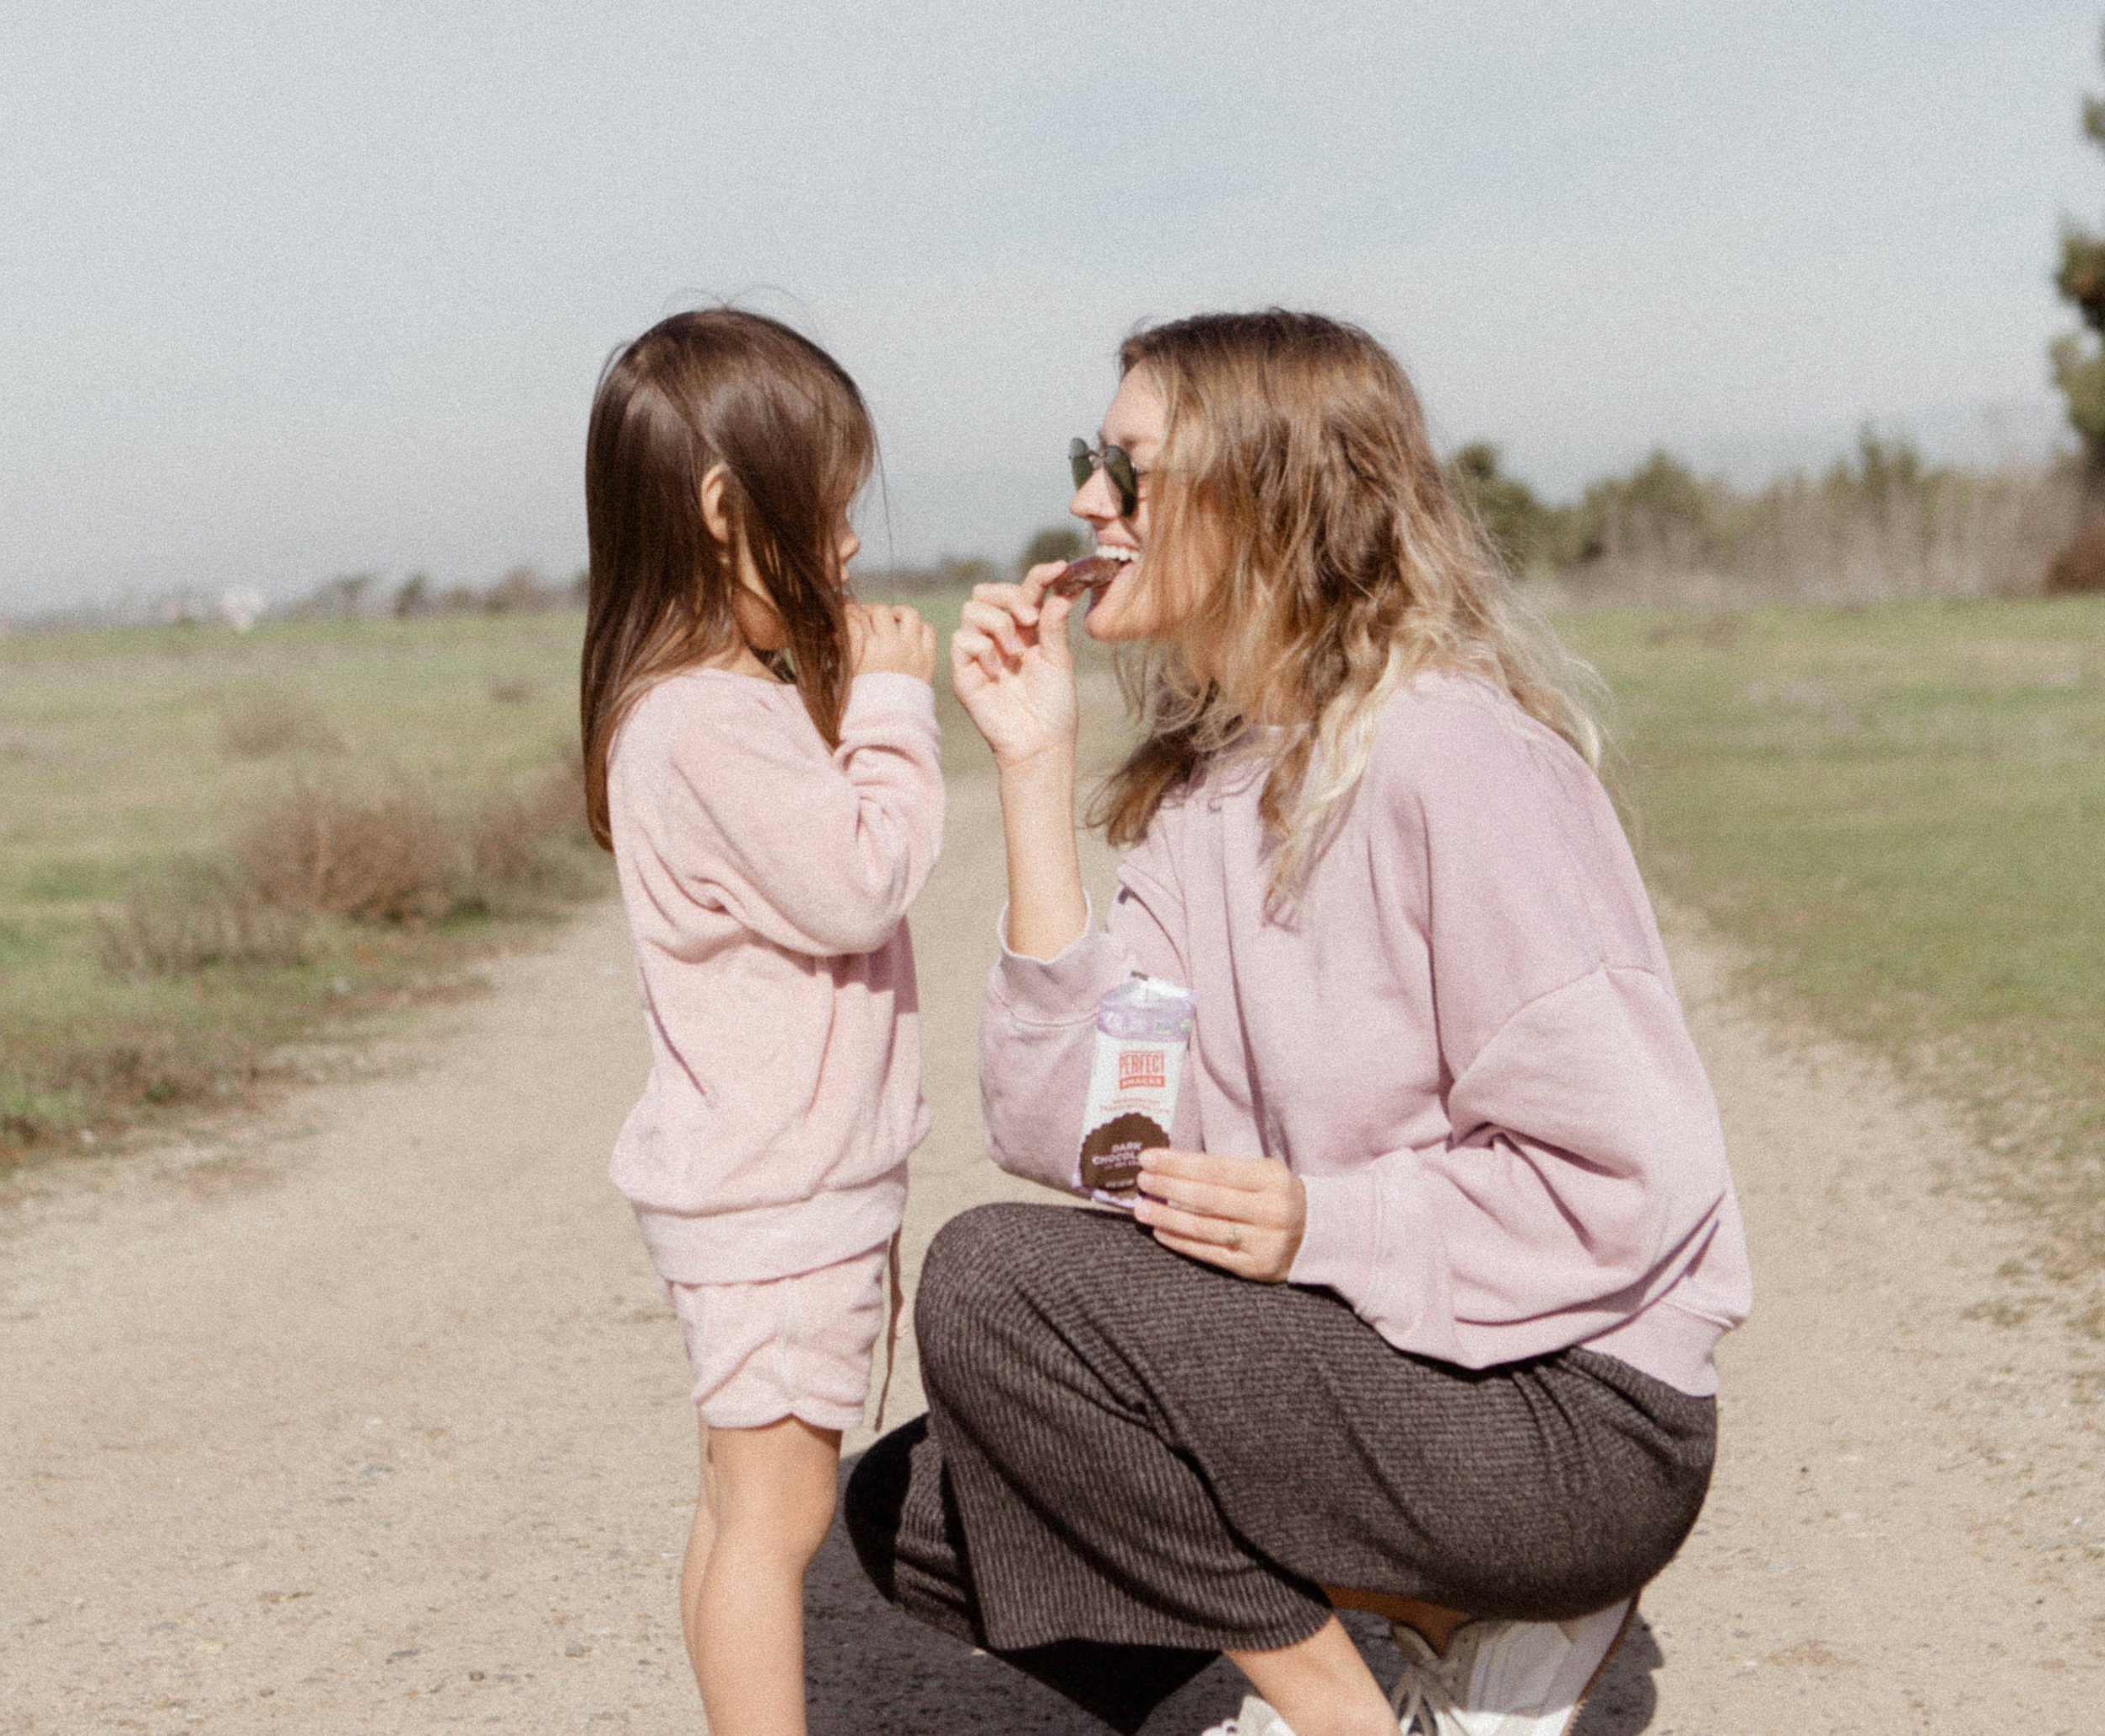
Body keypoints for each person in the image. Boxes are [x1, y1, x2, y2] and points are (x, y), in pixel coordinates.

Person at [845, 310, 1751, 1736]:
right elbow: (1101, 1138)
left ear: (1268, 495)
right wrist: (1032, 767)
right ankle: (1439, 1623)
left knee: (993, 1284)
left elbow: (1634, 1178)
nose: (1087, 500)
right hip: (1394, 1365)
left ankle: (1352, 1709)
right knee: (921, 1510)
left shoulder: (1457, 759)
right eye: (1091, 459)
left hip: (1572, 1413)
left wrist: (1324, 1223)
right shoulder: (1202, 796)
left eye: (1128, 467)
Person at [580, 308, 942, 1736]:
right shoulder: (708, 722)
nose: (846, 547)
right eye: (829, 511)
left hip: (762, 1192)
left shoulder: (692, 709)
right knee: (777, 1520)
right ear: (729, 510)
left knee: (739, 1506)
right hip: (781, 1197)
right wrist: (897, 710)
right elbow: (861, 878)